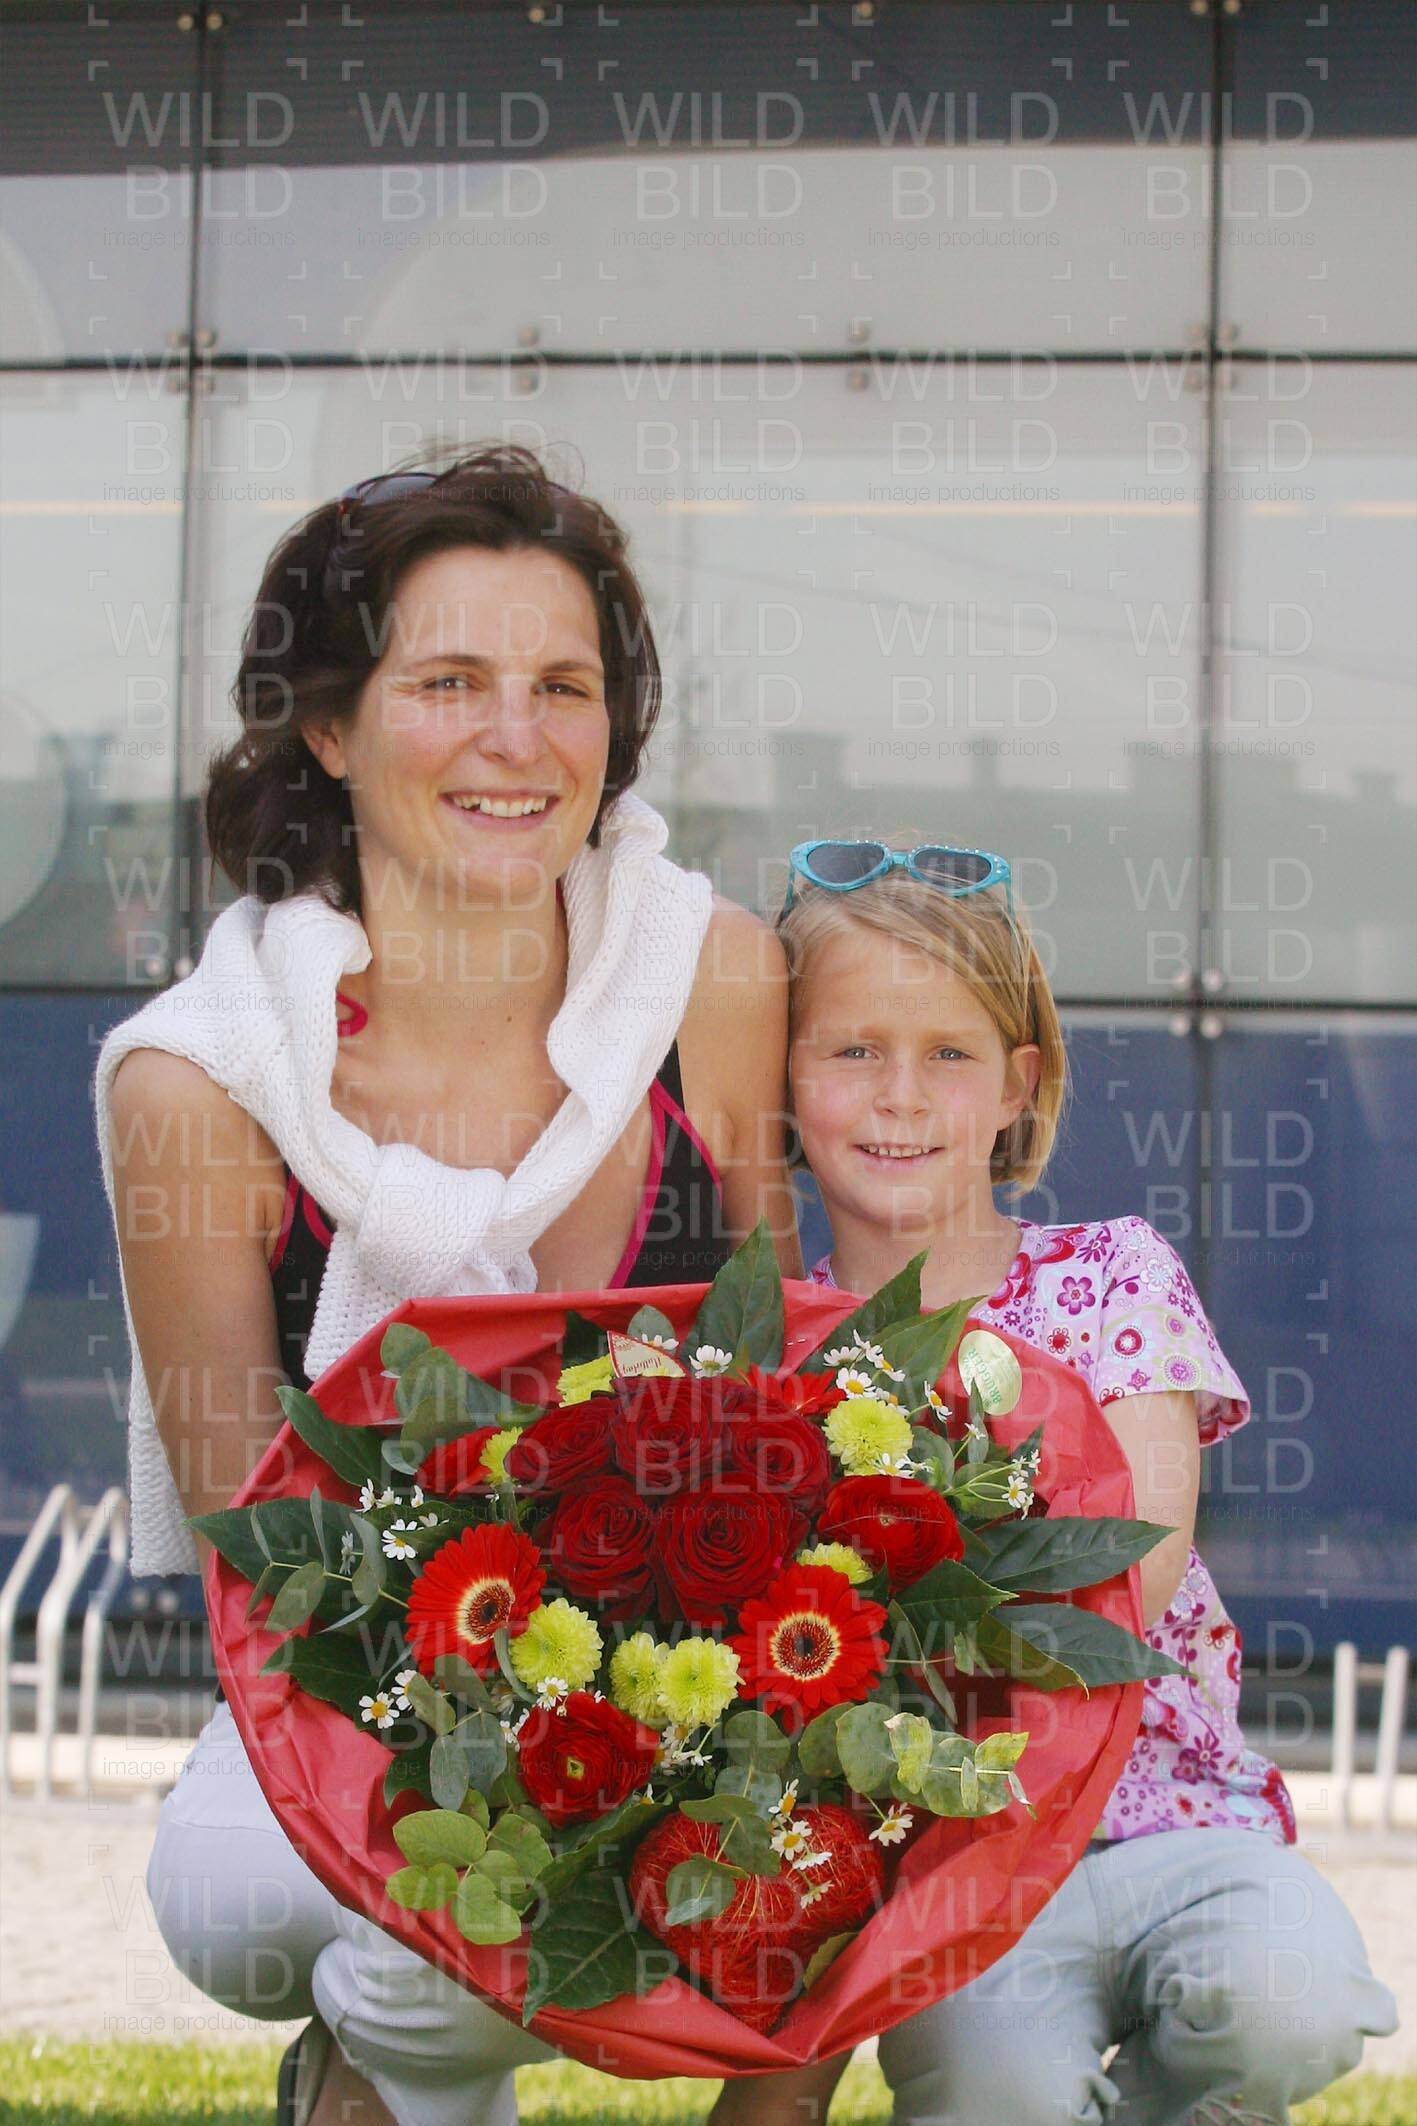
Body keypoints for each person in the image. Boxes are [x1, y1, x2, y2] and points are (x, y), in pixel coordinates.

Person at [95, 444, 803, 2126]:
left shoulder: (711, 978)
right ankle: (384, 2043)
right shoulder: (201, 1083)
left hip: (690, 1674)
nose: (515, 737)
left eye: (562, 686)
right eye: (448, 682)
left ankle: (371, 2073)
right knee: (259, 1896)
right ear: (329, 728)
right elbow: (260, 1552)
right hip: (352, 1684)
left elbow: (779, 1402)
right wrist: (503, 1738)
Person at [710, 838, 1400, 2126]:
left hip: (1172, 1813)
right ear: (784, 1079)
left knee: (1289, 2002)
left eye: (949, 1054)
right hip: (962, 1863)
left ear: (1018, 1084)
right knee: (997, 2093)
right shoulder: (775, 1346)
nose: (900, 1096)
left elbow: (1132, 1569)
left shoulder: (1106, 1277)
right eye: (852, 1049)